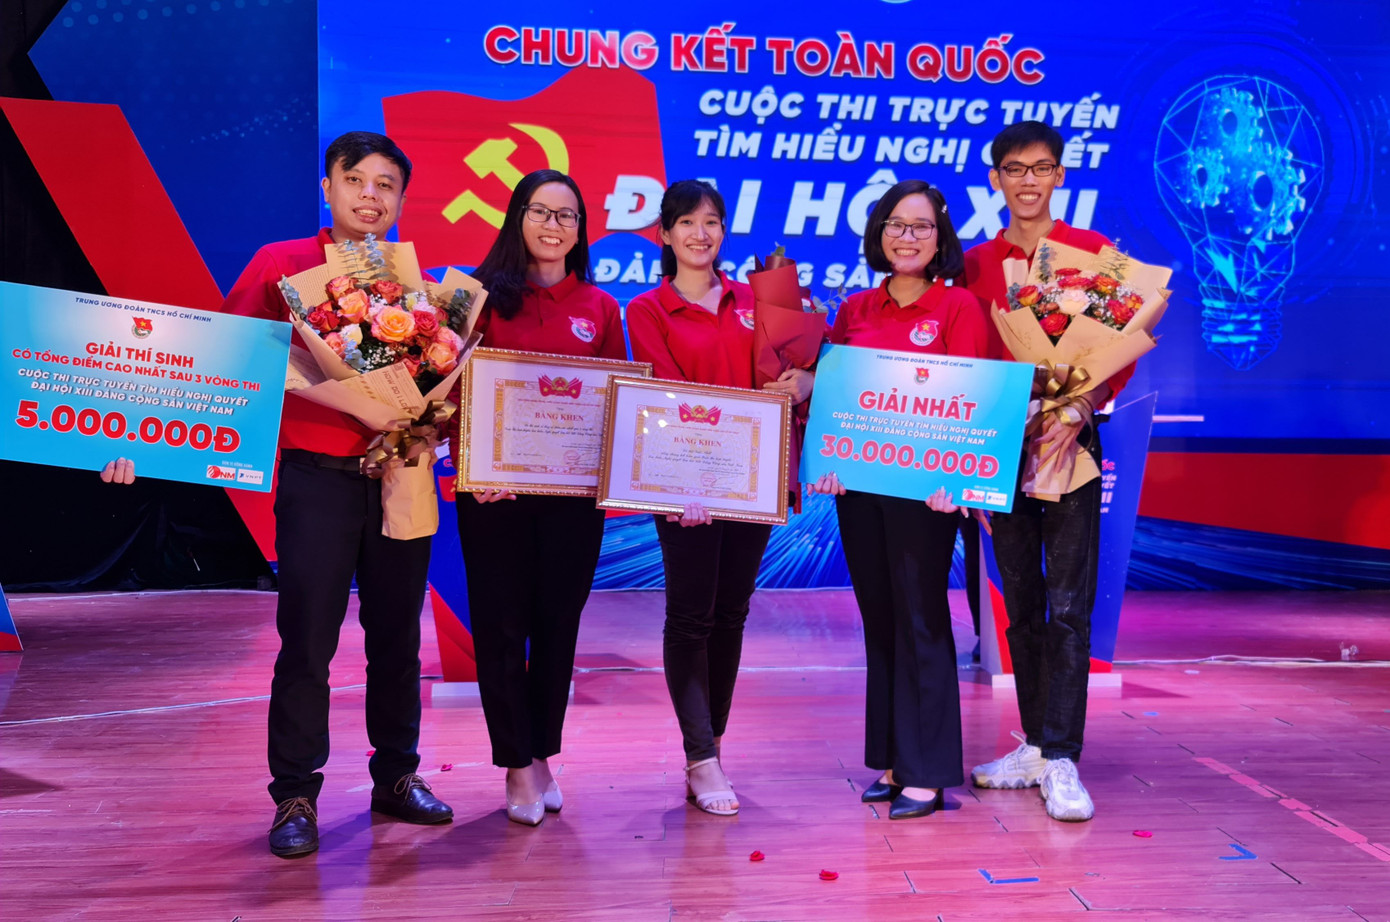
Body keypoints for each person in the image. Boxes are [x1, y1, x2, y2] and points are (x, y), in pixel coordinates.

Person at [221, 131, 452, 857]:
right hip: (317, 478)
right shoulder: (282, 264)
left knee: (398, 640)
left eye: (386, 184)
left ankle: (397, 775)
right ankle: (295, 792)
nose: (370, 196)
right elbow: (227, 359)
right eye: (356, 180)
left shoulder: (414, 284)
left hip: (400, 476)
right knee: (308, 641)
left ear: (402, 198)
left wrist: (437, 418)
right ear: (328, 187)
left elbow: (439, 384)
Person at [961, 120, 1134, 822]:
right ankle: (1034, 743)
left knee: (1068, 606)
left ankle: (1063, 757)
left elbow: (1121, 344)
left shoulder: (1093, 253)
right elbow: (964, 356)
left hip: (1070, 444)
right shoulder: (974, 263)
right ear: (996, 179)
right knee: (1021, 602)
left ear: (1059, 175)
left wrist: (1082, 404)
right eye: (1014, 169)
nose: (1027, 181)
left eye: (1040, 168)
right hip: (1000, 448)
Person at [626, 180, 813, 816]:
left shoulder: (759, 300)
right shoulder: (647, 310)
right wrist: (687, 480)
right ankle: (700, 756)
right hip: (685, 485)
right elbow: (667, 393)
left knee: (731, 612)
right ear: (664, 234)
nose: (699, 233)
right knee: (690, 616)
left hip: (753, 480)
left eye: (711, 222)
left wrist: (805, 377)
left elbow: (790, 375)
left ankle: (712, 747)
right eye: (686, 222)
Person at [450, 169, 625, 826]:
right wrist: (474, 462)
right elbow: (446, 391)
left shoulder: (600, 308)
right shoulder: (475, 298)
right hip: (495, 495)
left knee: (558, 627)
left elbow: (616, 403)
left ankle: (542, 751)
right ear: (516, 217)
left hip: (573, 498)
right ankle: (516, 765)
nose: (554, 226)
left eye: (567, 216)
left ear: (581, 230)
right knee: (500, 628)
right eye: (541, 212)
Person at [808, 180, 987, 819]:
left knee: (922, 620)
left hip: (926, 494)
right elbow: (838, 401)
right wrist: (827, 464)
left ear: (940, 239)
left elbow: (972, 400)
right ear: (878, 233)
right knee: (880, 619)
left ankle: (928, 770)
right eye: (895, 224)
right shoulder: (855, 309)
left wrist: (959, 481)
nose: (907, 237)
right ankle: (891, 756)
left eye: (920, 227)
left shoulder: (959, 306)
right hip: (860, 491)